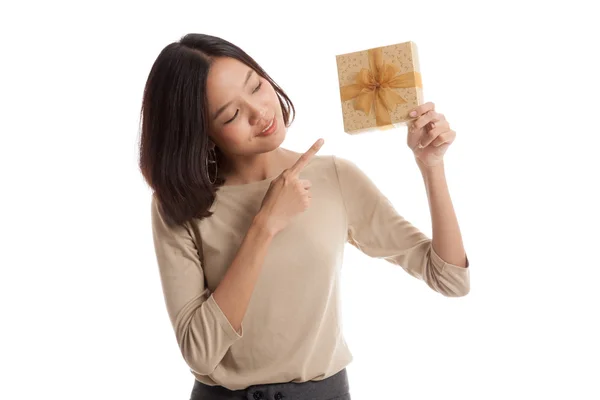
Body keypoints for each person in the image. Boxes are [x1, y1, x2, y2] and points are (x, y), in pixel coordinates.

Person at [138, 33, 469, 400]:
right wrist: (264, 226)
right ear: (203, 133)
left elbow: (450, 279)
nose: (260, 111)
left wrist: (432, 166)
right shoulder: (180, 205)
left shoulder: (335, 177)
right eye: (231, 114)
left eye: (256, 86)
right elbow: (199, 352)